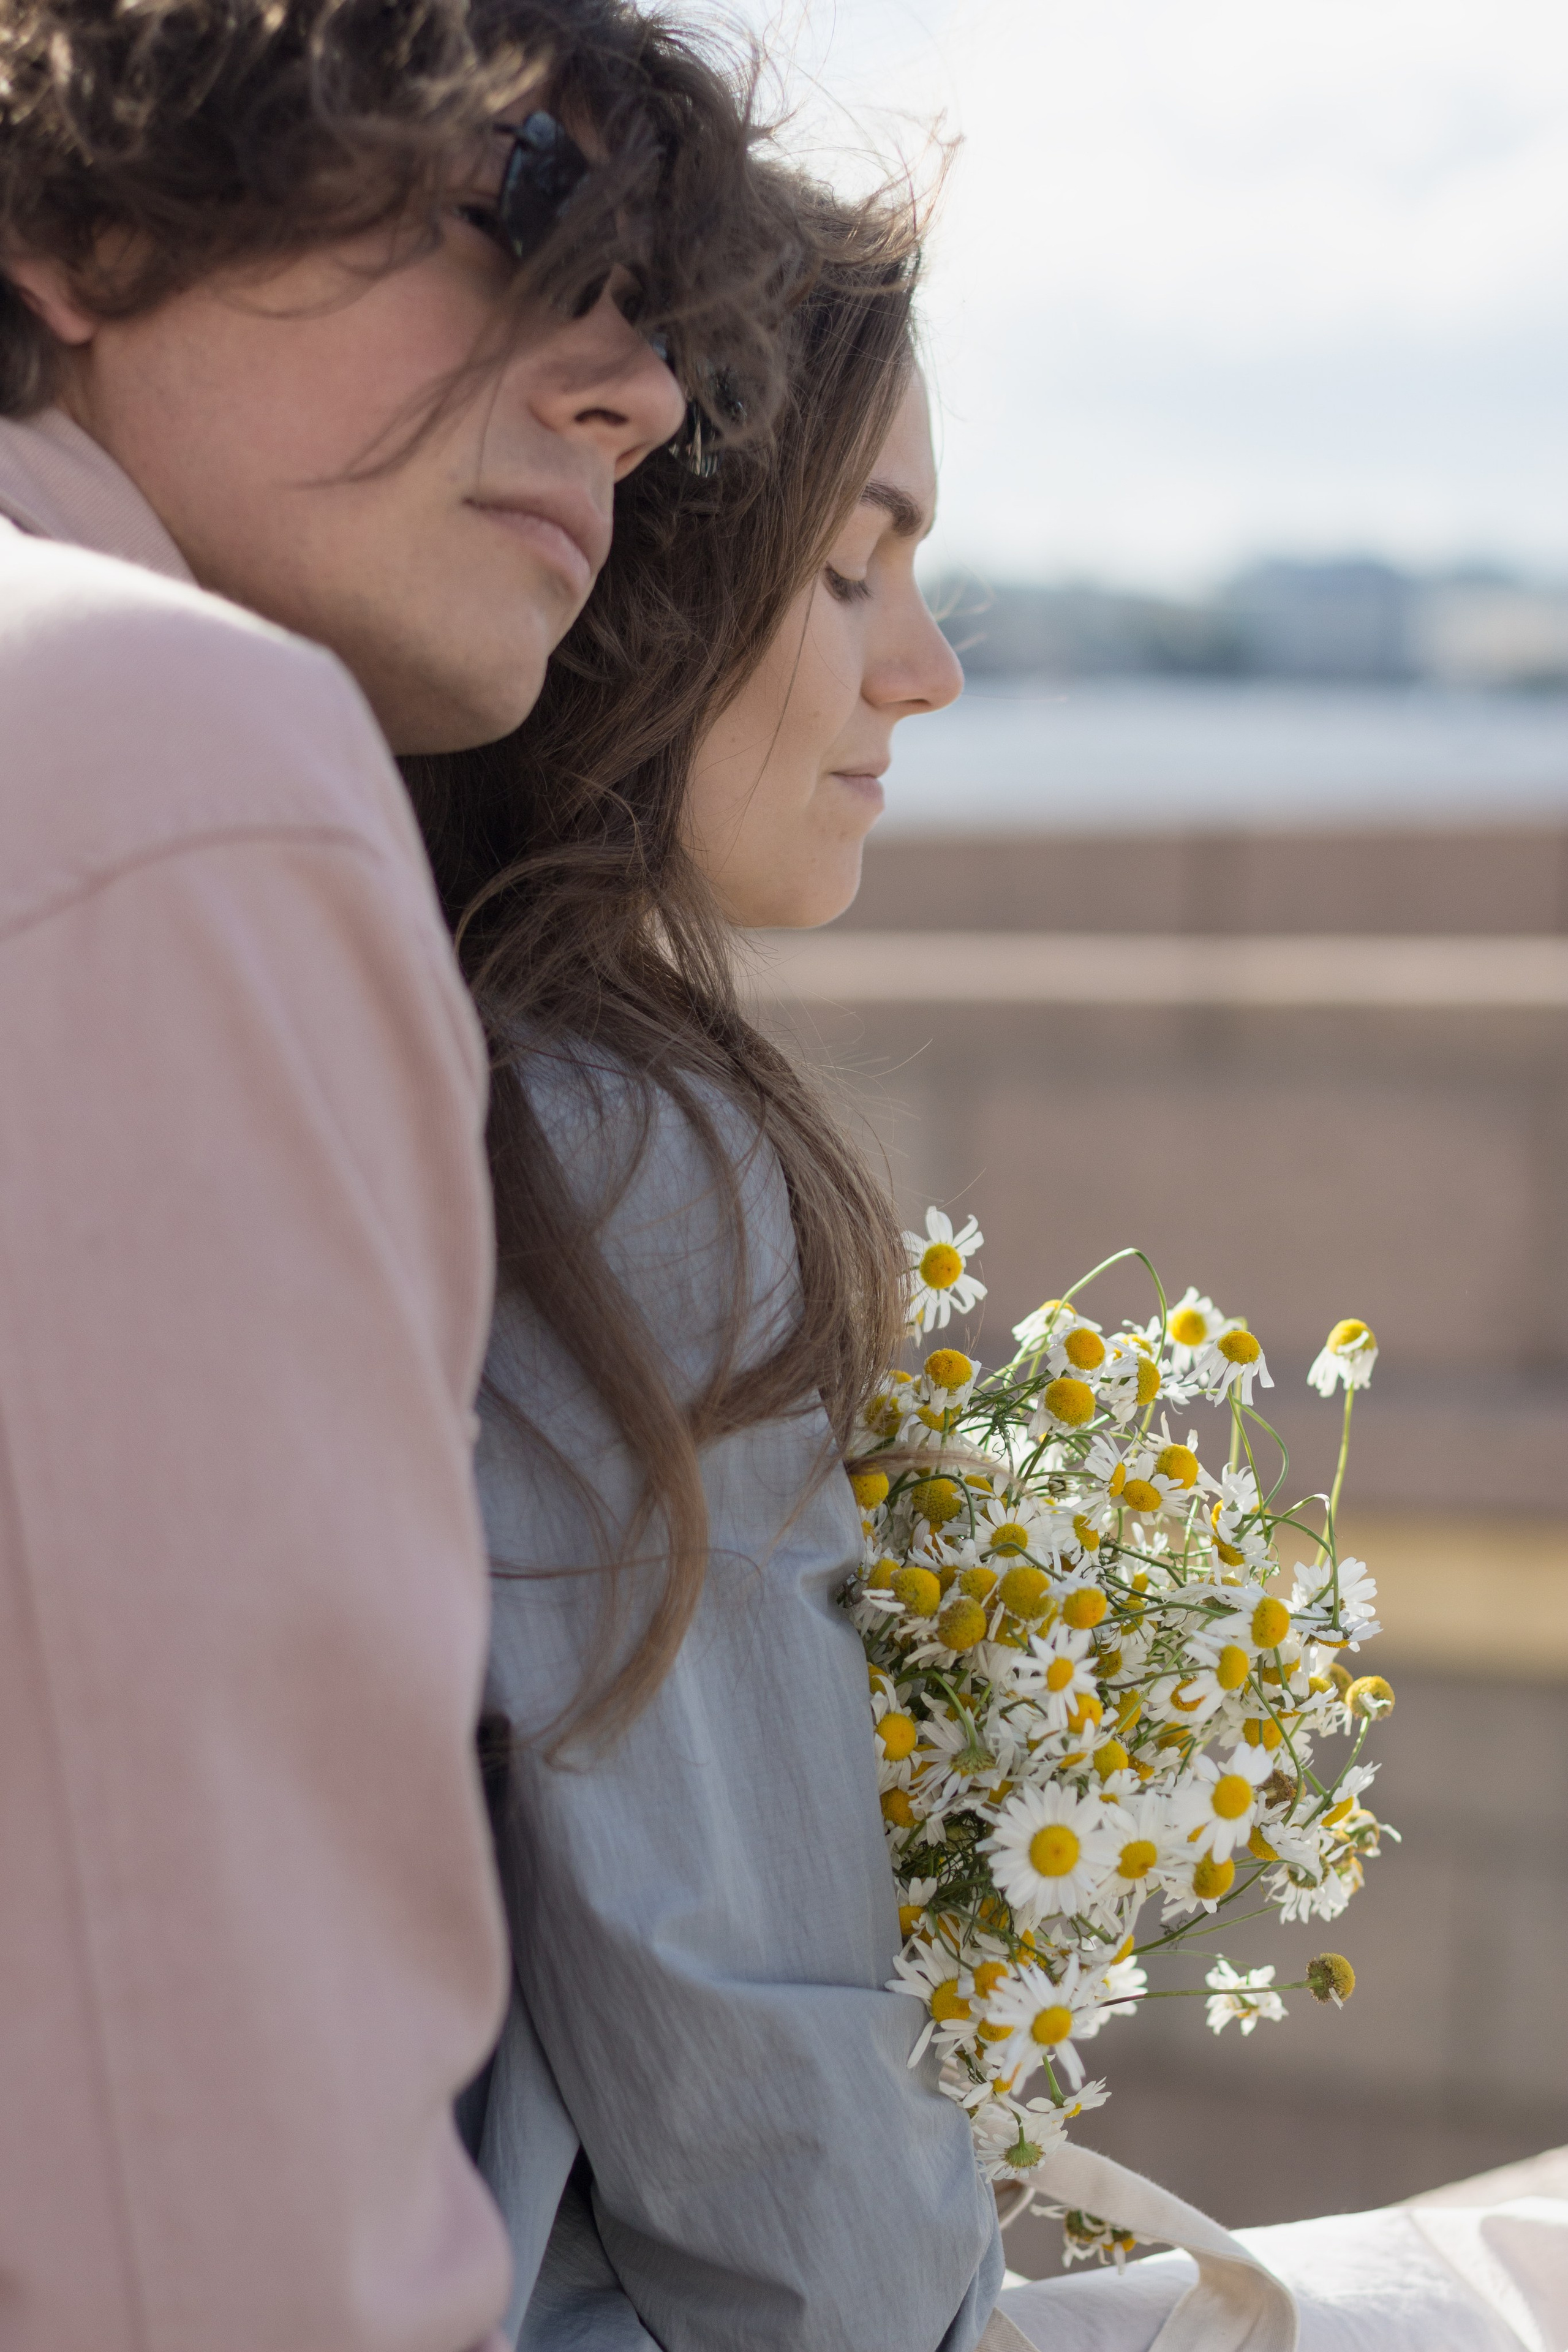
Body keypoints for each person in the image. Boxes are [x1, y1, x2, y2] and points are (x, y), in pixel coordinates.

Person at [0, 1, 807, 2344]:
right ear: (78, 211)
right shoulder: (145, 755)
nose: (634, 391)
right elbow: (201, 2211)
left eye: (663, 312)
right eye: (526, 209)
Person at [405, 179, 1015, 2351]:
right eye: (852, 568)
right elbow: (741, 2084)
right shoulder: (612, 1151)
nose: (922, 671)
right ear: (640, 573)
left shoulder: (387, 1035)